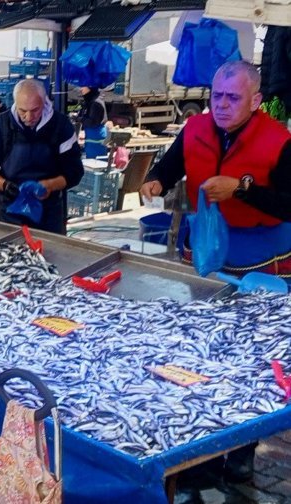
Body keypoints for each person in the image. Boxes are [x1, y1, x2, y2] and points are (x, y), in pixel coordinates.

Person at [141, 60, 291, 501]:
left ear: (255, 100)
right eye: (216, 96)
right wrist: (153, 181)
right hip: (208, 252)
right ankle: (198, 456)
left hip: (265, 255)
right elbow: (169, 168)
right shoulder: (195, 128)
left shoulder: (280, 141)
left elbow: (289, 204)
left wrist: (242, 188)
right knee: (201, 346)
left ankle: (241, 452)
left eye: (232, 98)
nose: (221, 106)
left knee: (252, 357)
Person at [0, 79, 84, 234]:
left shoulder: (61, 126)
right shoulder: (0, 126)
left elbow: (74, 172)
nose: (28, 117)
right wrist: (6, 186)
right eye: (23, 111)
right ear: (15, 103)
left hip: (48, 217)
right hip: (8, 215)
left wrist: (48, 185)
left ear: (44, 102)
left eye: (35, 110)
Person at [78, 86, 108, 159]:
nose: (80, 89)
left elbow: (92, 122)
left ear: (89, 87)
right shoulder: (91, 100)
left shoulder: (96, 103)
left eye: (82, 87)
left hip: (96, 137)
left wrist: (80, 119)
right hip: (92, 137)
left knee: (96, 163)